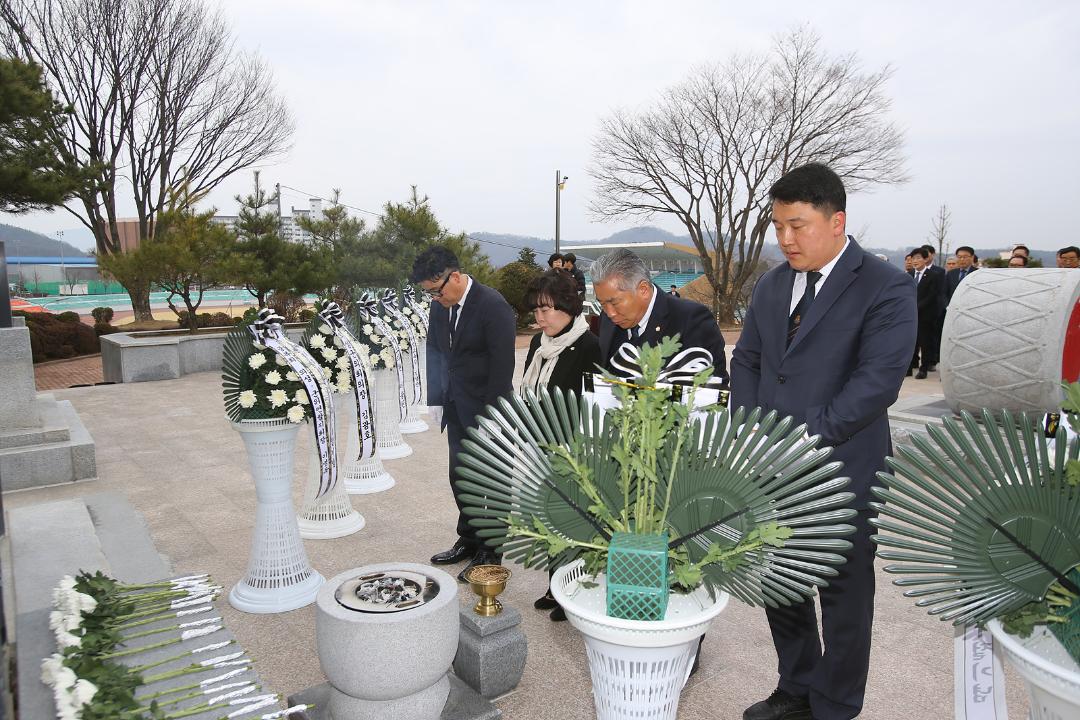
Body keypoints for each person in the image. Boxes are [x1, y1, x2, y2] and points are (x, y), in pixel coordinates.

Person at [731, 163, 916, 720]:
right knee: (780, 581)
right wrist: (747, 431)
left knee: (843, 596)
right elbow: (749, 360)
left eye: (798, 225)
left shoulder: (886, 286)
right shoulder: (770, 283)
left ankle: (836, 703)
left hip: (844, 469)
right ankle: (796, 686)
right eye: (777, 226)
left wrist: (795, 438)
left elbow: (876, 383)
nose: (785, 239)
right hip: (767, 466)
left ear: (837, 221)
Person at [411, 246, 517, 582]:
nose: (434, 298)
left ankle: (490, 550)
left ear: (454, 276)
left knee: (492, 481)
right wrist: (436, 397)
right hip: (456, 406)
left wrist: (492, 415)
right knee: (460, 476)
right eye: (427, 292)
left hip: (490, 409)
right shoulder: (440, 307)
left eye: (436, 290)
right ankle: (469, 538)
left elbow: (503, 365)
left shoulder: (492, 305)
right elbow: (433, 349)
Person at [520, 269, 601, 622]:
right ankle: (555, 586)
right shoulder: (540, 344)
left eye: (547, 309)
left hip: (573, 450)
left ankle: (572, 592)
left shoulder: (588, 345)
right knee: (547, 522)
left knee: (571, 523)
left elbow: (596, 404)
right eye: (536, 310)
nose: (540, 318)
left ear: (569, 308)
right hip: (540, 445)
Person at [591, 248, 728, 382]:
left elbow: (713, 388)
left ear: (643, 290)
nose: (610, 313)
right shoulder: (607, 320)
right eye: (602, 304)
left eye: (614, 303)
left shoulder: (691, 320)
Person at [909, 247, 942, 379]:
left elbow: (932, 296)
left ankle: (924, 369)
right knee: (912, 342)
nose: (915, 261)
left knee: (925, 343)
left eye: (918, 258)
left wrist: (916, 307)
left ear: (925, 259)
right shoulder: (909, 275)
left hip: (926, 316)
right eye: (913, 258)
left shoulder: (933, 275)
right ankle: (910, 367)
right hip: (911, 316)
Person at [920, 244, 946, 371]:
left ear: (932, 255)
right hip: (919, 311)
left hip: (933, 310)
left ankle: (932, 360)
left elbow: (938, 292)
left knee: (932, 337)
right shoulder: (914, 272)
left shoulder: (939, 271)